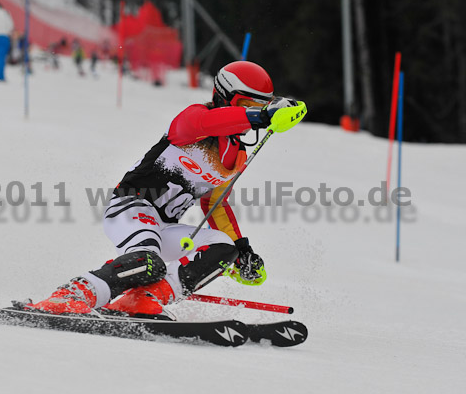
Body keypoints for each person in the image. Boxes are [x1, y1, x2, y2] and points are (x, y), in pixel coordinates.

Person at [25, 61, 301, 318]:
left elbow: (216, 204)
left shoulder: (236, 155)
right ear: (224, 97)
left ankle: (144, 299)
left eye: (259, 105)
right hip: (130, 206)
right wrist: (261, 115)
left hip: (165, 225)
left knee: (222, 249)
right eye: (246, 104)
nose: (252, 111)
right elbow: (211, 122)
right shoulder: (194, 119)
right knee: (148, 260)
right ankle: (70, 296)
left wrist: (242, 251)